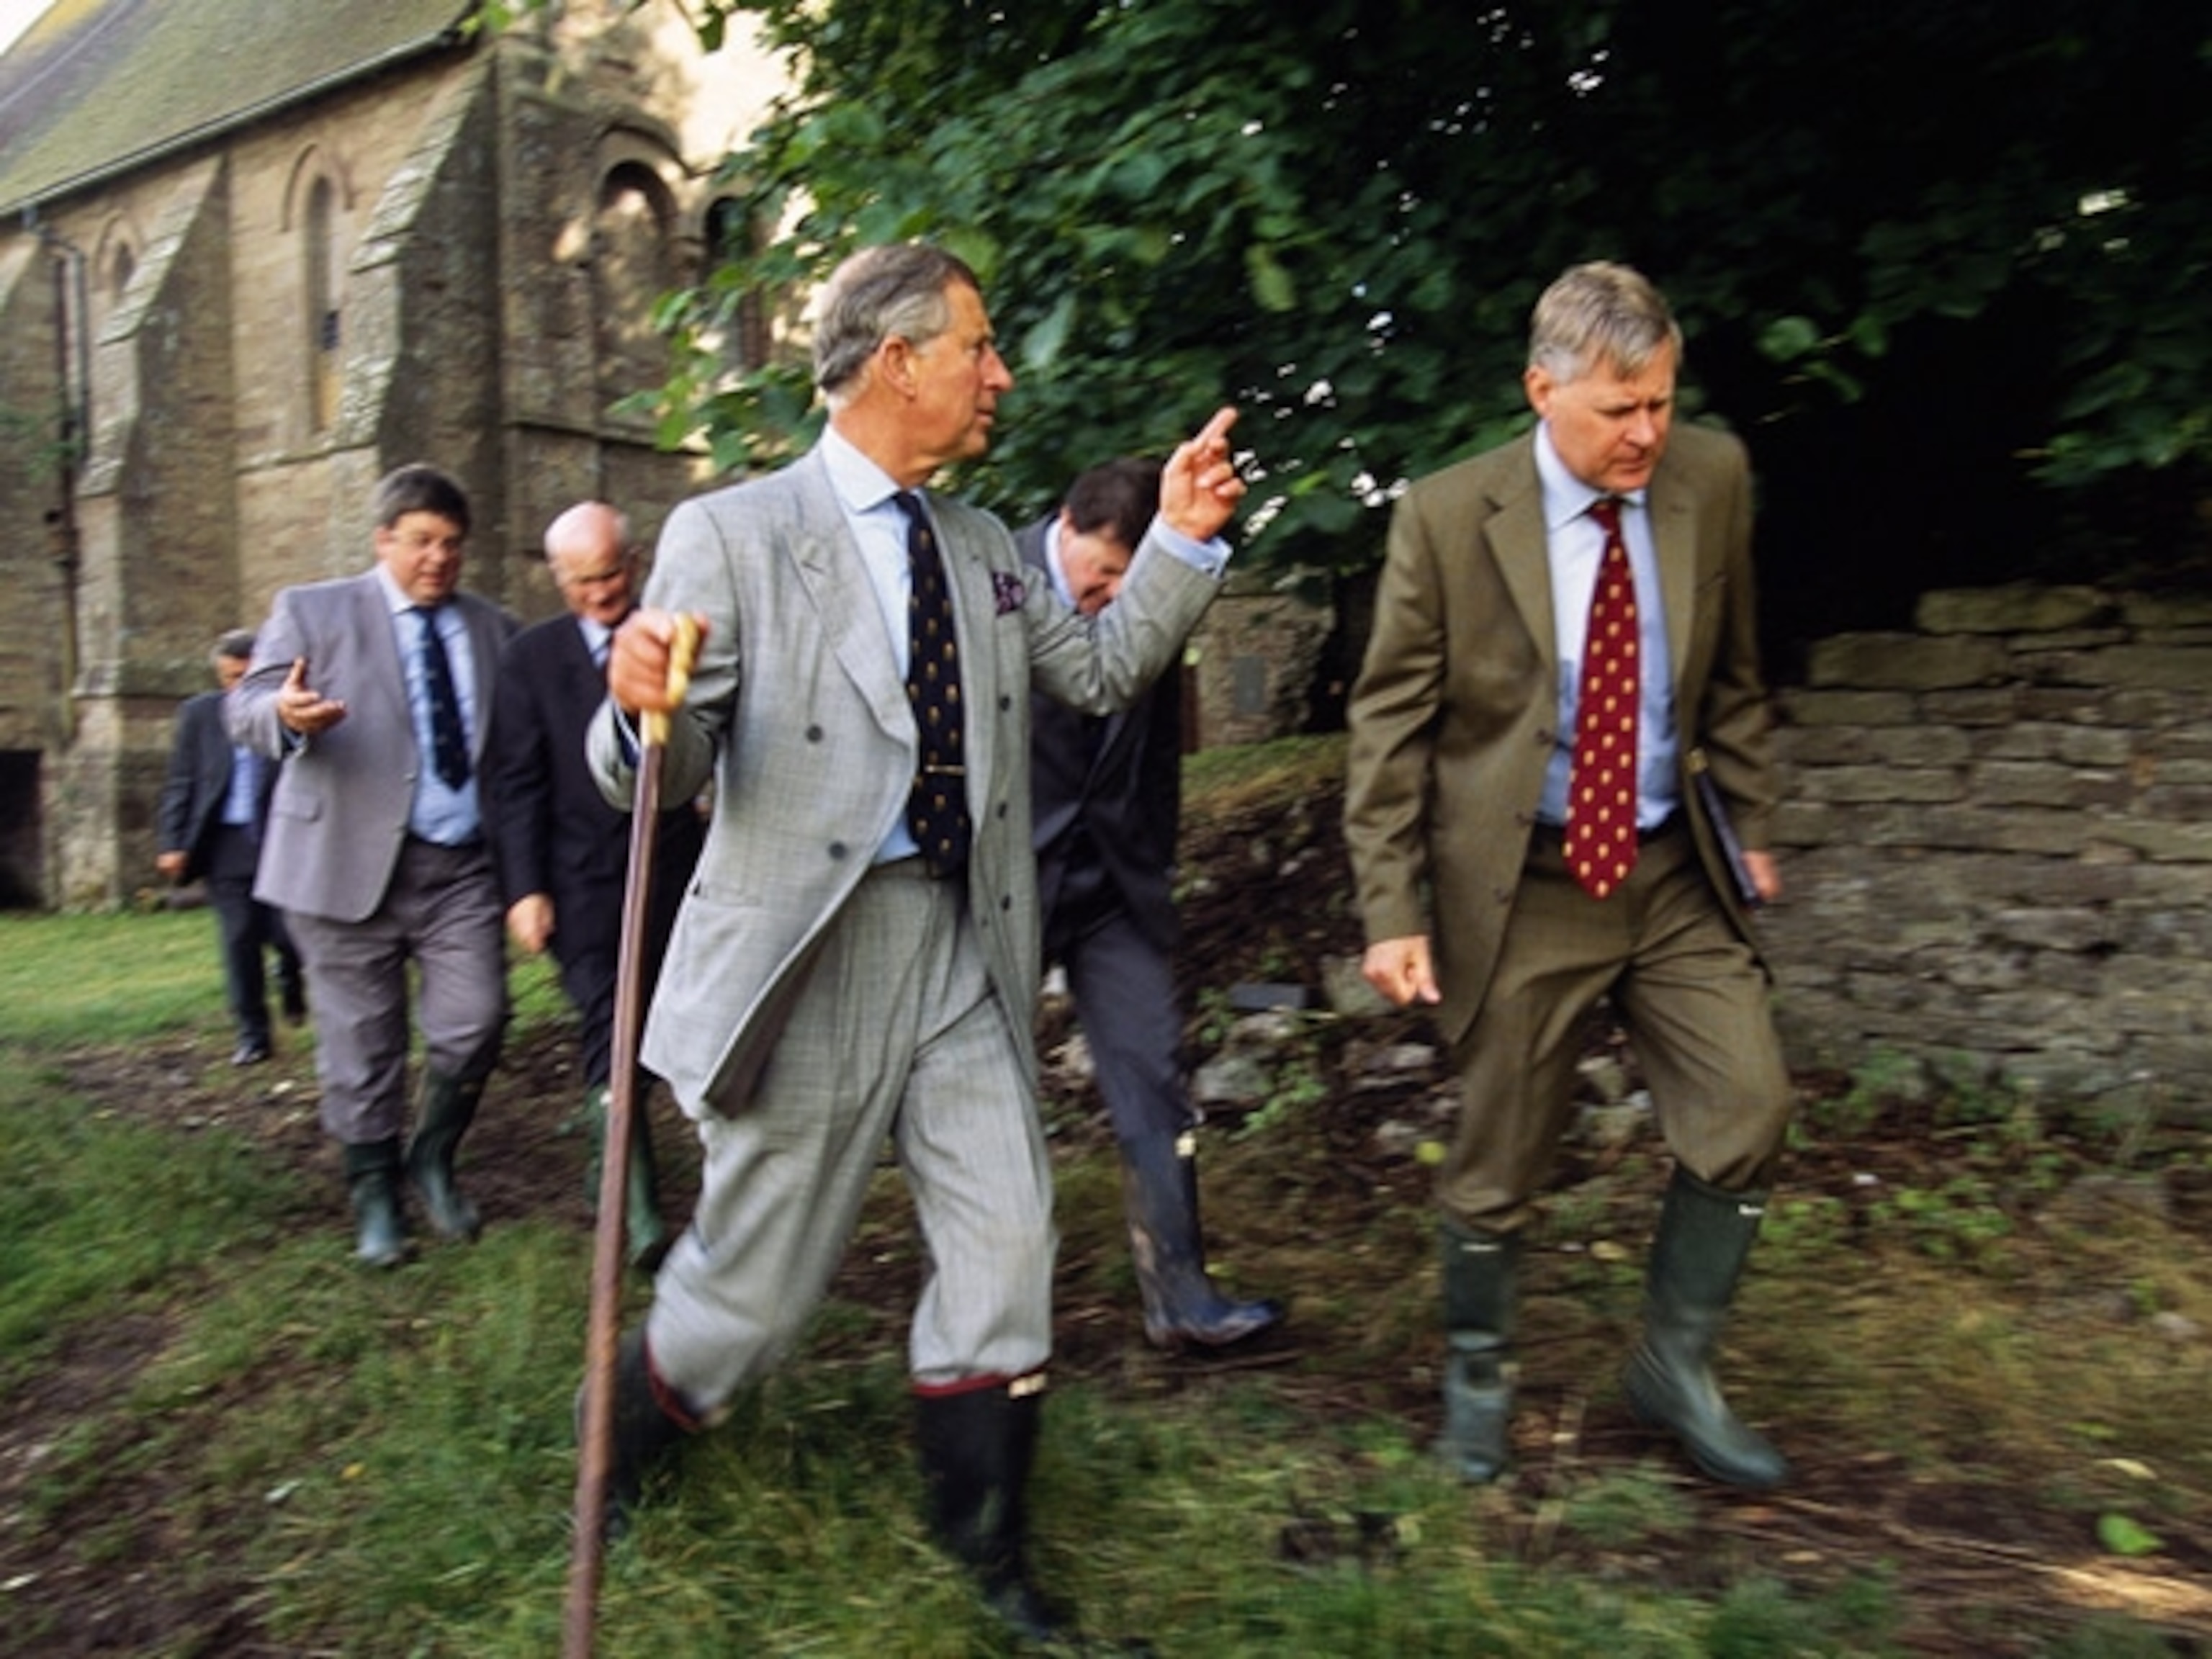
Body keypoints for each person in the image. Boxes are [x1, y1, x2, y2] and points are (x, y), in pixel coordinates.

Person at [586, 241, 1247, 1645]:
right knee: (754, 1298)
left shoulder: (981, 548)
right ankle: (624, 1451)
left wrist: (1183, 541)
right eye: (977, 348)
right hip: (811, 961)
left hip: (961, 949)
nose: (1000, 373)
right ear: (895, 361)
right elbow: (669, 758)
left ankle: (990, 1561)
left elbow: (1104, 669)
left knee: (1011, 1238)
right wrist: (633, 695)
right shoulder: (735, 533)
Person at [1344, 261, 1794, 1493]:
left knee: (1747, 1105)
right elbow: (1389, 724)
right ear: (1540, 389)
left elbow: (1737, 674)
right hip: (1526, 880)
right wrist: (1390, 907)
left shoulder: (1712, 477)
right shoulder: (1445, 517)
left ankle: (1674, 1366)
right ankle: (1478, 1374)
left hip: (1670, 867)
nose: (1647, 431)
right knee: (1498, 1152)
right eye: (1617, 408)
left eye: (1660, 401)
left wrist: (1746, 817)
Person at [1022, 457, 1283, 1352]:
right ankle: (992, 1301)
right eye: (1097, 580)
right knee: (982, 1093)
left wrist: (1153, 860)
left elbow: (1159, 748)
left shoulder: (1158, 583)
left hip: (1114, 890)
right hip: (1005, 890)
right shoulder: (990, 578)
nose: (1107, 602)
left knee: (1154, 1069)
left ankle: (1181, 1297)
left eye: (1124, 589)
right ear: (1065, 526)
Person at [228, 464, 517, 1269]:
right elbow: (243, 706)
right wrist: (282, 715)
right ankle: (376, 1196)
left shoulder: (494, 629)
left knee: (478, 1019)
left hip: (458, 870)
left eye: (453, 545)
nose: (438, 559)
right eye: (421, 542)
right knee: (363, 1042)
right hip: (340, 863)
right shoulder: (312, 611)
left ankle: (432, 1155)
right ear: (383, 539)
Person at [485, 502, 705, 1270]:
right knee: (609, 1026)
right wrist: (523, 890)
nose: (601, 594)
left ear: (635, 561)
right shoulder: (530, 660)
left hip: (677, 875)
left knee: (651, 1030)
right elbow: (513, 784)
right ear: (557, 578)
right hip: (577, 884)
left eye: (610, 574)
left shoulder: (676, 638)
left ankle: (604, 1150)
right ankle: (637, 1212)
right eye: (582, 582)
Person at [156, 628, 306, 1066]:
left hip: (282, 839)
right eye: (229, 678)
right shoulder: (201, 715)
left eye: (247, 676)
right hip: (226, 843)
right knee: (239, 938)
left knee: (287, 933)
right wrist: (174, 841)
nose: (238, 687)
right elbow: (182, 780)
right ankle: (253, 1035)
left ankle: (291, 974)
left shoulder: (290, 711)